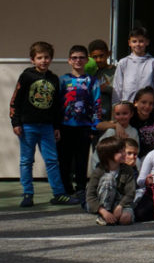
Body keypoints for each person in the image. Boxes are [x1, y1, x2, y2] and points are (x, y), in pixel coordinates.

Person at [11, 41, 73, 207]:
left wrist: (56, 126)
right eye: (39, 58)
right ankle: (27, 194)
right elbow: (15, 100)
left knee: (52, 160)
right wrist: (15, 122)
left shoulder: (53, 79)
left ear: (51, 59)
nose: (43, 61)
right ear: (32, 60)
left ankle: (58, 193)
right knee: (26, 161)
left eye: (46, 57)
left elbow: (56, 106)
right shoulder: (26, 76)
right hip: (28, 126)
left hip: (47, 127)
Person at [59, 44, 102, 201]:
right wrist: (56, 126)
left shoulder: (92, 81)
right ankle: (66, 187)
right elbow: (57, 104)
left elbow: (97, 103)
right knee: (64, 159)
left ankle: (81, 188)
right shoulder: (63, 80)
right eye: (74, 58)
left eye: (81, 57)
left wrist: (94, 126)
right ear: (69, 60)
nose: (78, 60)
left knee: (82, 159)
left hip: (84, 127)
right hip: (65, 127)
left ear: (86, 60)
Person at [85, 138, 136, 225]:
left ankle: (111, 217)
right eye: (121, 152)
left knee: (125, 219)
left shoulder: (127, 170)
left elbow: (130, 193)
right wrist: (103, 211)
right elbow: (90, 195)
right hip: (100, 204)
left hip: (120, 202)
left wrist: (120, 206)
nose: (124, 154)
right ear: (109, 155)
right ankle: (104, 215)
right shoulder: (99, 171)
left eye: (124, 150)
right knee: (108, 178)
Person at [112, 27, 154, 106]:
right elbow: (117, 87)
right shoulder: (123, 62)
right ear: (129, 43)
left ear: (147, 42)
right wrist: (115, 107)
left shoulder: (153, 62)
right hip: (127, 106)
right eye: (134, 41)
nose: (138, 44)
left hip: (147, 107)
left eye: (141, 41)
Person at [86, 39, 116, 121]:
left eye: (101, 56)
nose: (98, 60)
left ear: (108, 54)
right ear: (89, 57)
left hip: (111, 114)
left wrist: (105, 89)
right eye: (95, 57)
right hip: (93, 114)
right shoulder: (90, 72)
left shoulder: (115, 71)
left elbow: (119, 91)